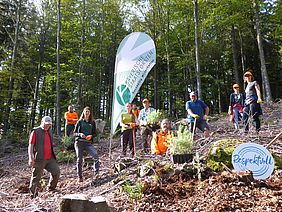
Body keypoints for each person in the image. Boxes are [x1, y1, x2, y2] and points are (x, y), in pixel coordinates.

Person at [28, 116, 60, 198]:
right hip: (39, 158)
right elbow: (30, 146)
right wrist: (31, 157)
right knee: (36, 177)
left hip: (50, 158)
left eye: (49, 124)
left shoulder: (50, 131)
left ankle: (51, 188)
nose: (47, 126)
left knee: (56, 172)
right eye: (46, 124)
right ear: (42, 122)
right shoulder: (35, 131)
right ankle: (33, 195)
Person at [74, 106, 99, 182]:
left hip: (88, 143)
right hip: (79, 142)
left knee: (95, 155)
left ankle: (96, 173)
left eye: (88, 112)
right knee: (79, 159)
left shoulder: (92, 122)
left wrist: (91, 136)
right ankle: (80, 176)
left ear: (90, 113)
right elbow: (74, 133)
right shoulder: (80, 122)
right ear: (83, 113)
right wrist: (80, 134)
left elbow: (95, 133)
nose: (87, 113)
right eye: (86, 112)